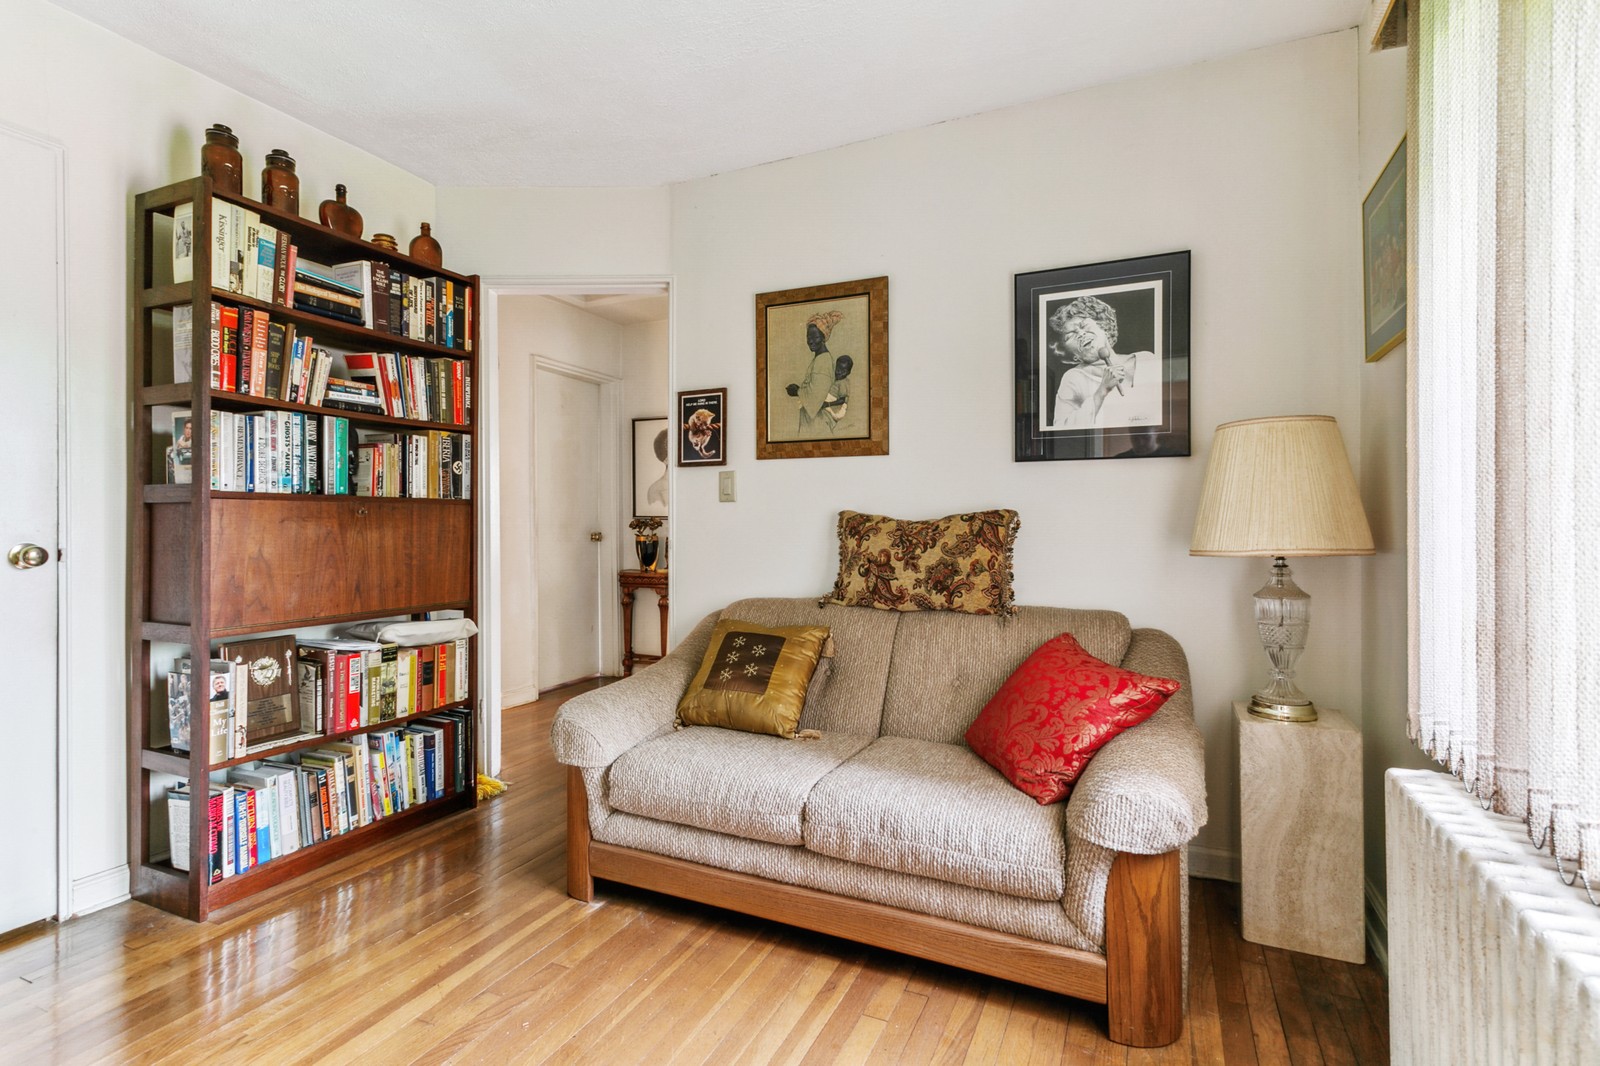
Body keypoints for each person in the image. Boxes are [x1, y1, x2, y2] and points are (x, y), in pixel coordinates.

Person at [1047, 295, 1154, 431]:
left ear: (1103, 326)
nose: (1081, 334)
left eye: (1083, 325)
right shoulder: (1073, 378)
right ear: (1072, 356)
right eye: (1070, 336)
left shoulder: (1147, 359)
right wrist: (1102, 390)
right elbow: (1061, 428)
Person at [786, 310, 844, 434]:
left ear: (823, 338)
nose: (811, 341)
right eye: (809, 337)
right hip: (813, 420)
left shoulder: (823, 361)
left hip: (817, 423)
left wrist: (797, 391)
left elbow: (816, 396)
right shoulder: (820, 359)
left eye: (815, 337)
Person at [817, 354, 853, 433]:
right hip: (829, 402)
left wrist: (827, 404)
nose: (839, 372)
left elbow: (842, 400)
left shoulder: (843, 383)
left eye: (844, 371)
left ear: (848, 372)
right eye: (838, 368)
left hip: (836, 406)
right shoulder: (835, 378)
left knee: (824, 420)